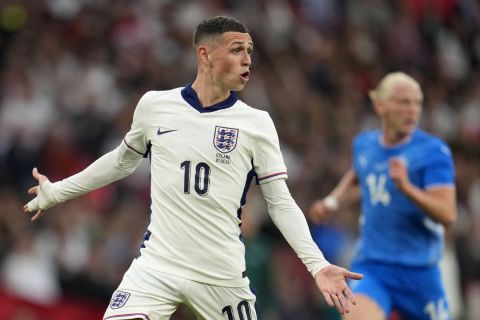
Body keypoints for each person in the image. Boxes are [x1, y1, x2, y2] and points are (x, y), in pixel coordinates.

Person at [24, 16, 363, 320]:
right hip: (158, 265)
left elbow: (280, 202)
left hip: (221, 275)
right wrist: (57, 191)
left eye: (250, 50)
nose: (247, 59)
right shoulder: (155, 106)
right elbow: (120, 161)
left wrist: (317, 265)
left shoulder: (256, 124)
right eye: (236, 50)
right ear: (205, 55)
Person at [309, 72, 457, 320]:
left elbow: (448, 214)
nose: (412, 110)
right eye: (403, 102)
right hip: (373, 267)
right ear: (380, 105)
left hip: (420, 272)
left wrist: (407, 188)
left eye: (416, 103)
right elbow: (359, 176)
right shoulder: (364, 144)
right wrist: (332, 201)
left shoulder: (433, 152)